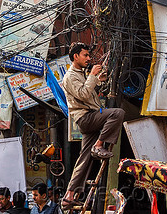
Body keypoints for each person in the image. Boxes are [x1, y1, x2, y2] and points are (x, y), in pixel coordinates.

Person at [61, 42, 125, 209]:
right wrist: (92, 77)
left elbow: (88, 93)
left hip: (90, 116)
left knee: (84, 158)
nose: (88, 59)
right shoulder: (70, 76)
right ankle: (98, 145)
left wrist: (97, 80)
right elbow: (82, 94)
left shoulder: (80, 74)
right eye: (85, 55)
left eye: (88, 56)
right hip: (86, 118)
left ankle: (69, 195)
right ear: (75, 56)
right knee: (117, 113)